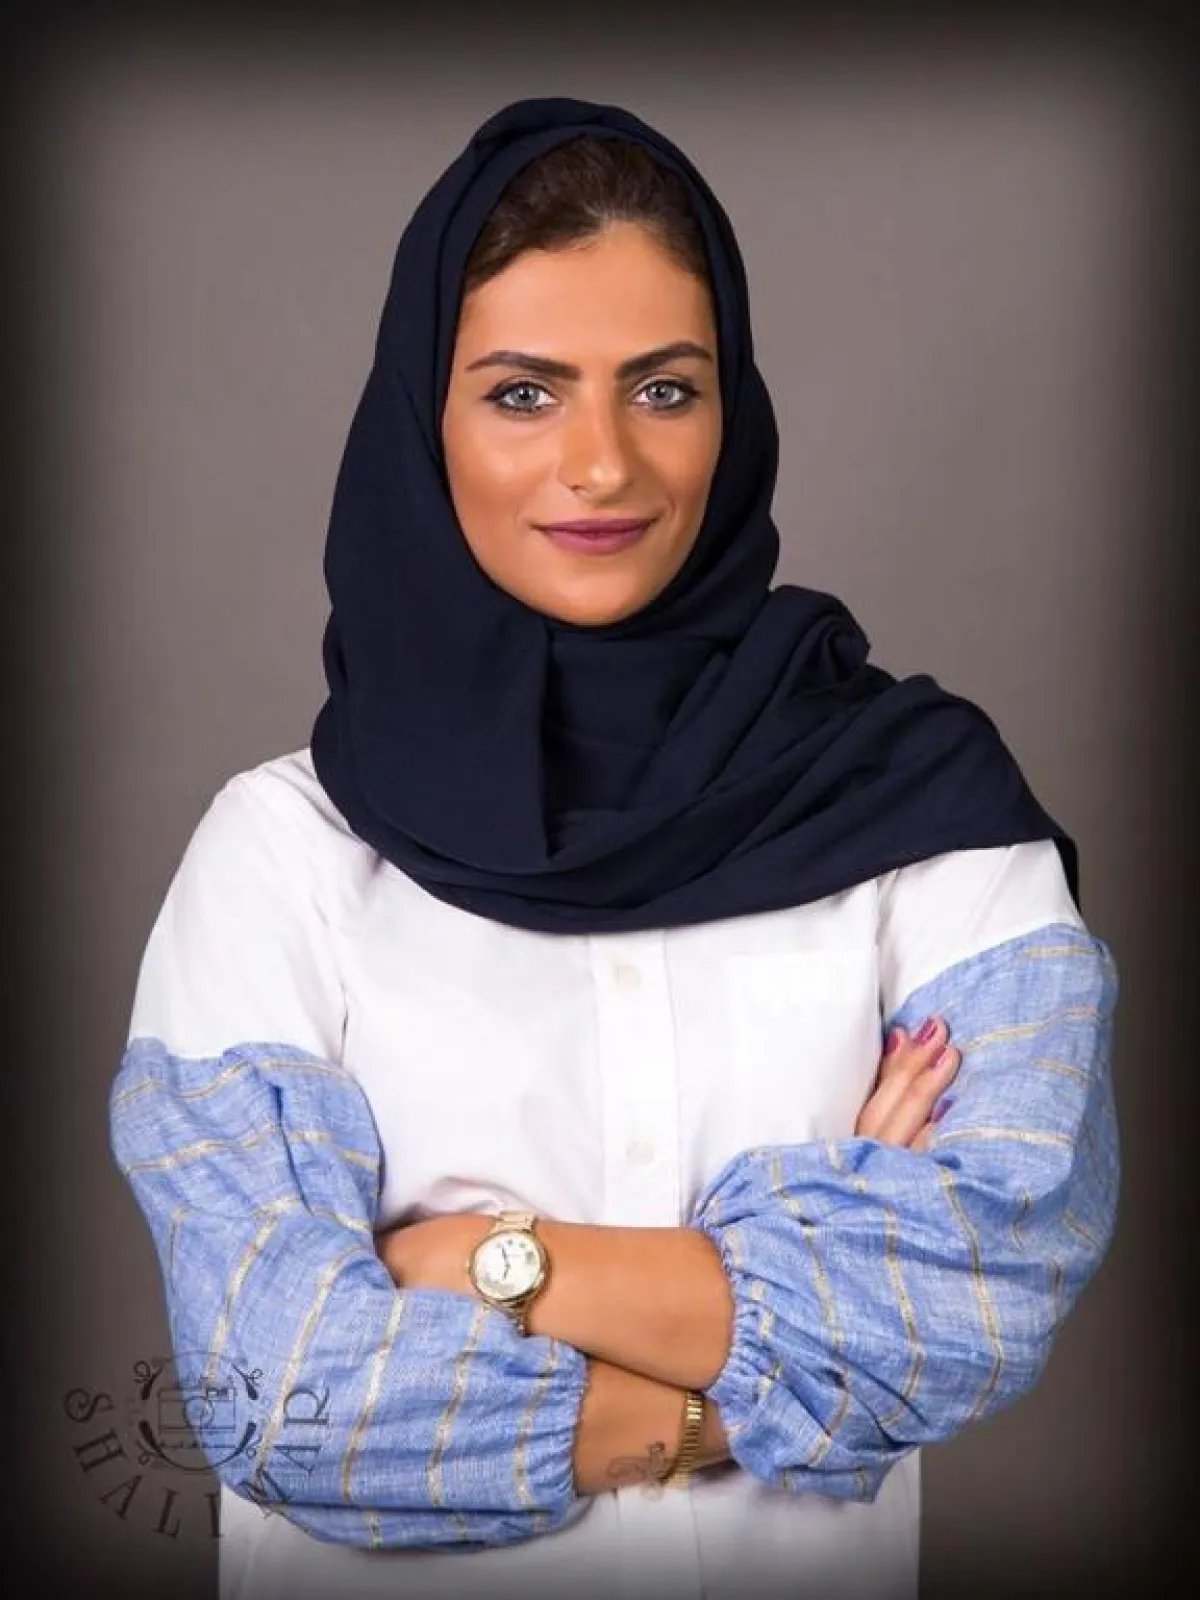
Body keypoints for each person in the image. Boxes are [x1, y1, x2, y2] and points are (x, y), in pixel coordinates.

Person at [108, 97, 1120, 1600]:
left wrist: (485, 1261)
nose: (602, 465)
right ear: (423, 420)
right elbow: (288, 1397)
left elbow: (987, 1286)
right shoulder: (280, 856)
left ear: (734, 409)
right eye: (524, 394)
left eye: (663, 389)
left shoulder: (921, 807)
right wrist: (760, 1375)